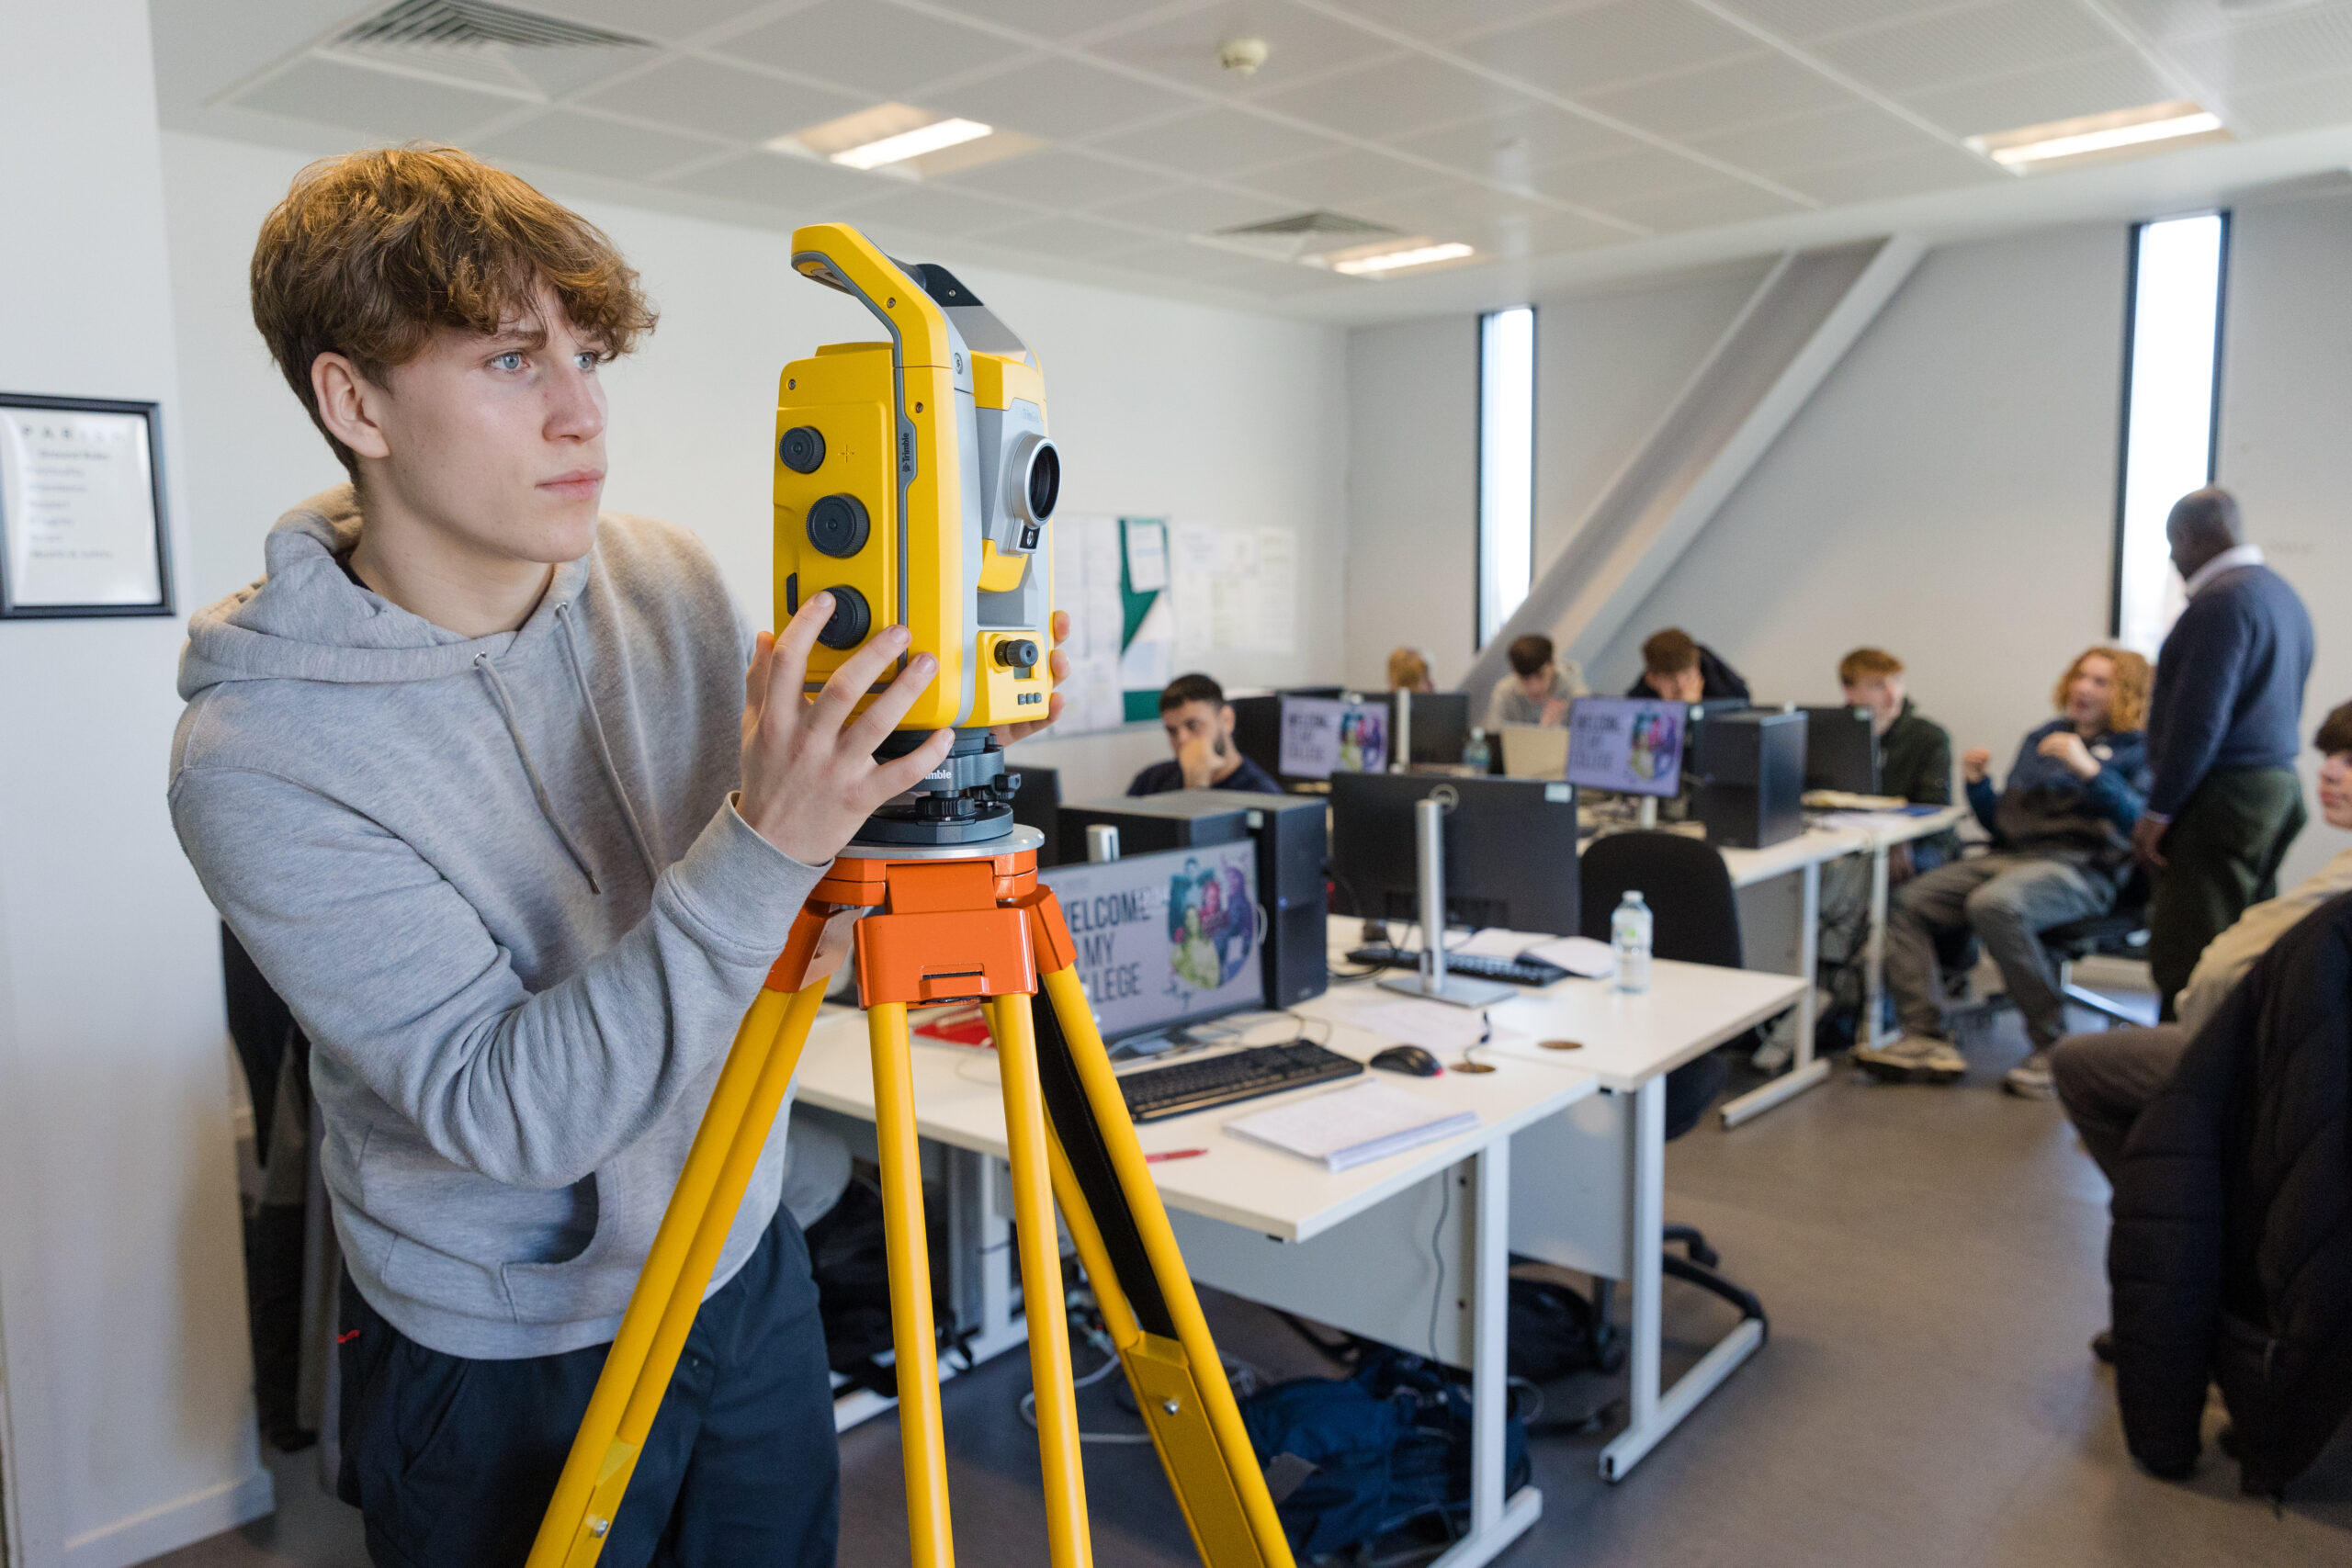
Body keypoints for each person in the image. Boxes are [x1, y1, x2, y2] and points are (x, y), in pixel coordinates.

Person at [168, 148, 1068, 1566]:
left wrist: (906, 746)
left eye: (586, 354)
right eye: (514, 360)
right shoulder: (262, 755)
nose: (584, 413)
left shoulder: (672, 582)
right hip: (502, 1346)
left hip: (736, 1259)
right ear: (356, 402)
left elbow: (770, 930)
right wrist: (765, 836)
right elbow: (509, 1109)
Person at [2050, 700, 2352, 1161]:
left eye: (2349, 762)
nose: (2328, 772)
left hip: (2304, 1072)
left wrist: (2203, 1039)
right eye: (2330, 756)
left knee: (2080, 1064)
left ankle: (2174, 1218)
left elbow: (2221, 970)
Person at [1855, 647, 2151, 1088]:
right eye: (2080, 677)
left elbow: (2139, 822)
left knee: (1995, 904)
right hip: (2009, 858)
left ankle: (2052, 1047)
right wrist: (1978, 787)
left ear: (2125, 693)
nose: (2083, 688)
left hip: (2082, 869)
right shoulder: (2043, 738)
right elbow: (2006, 822)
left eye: (2100, 682)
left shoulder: (2140, 748)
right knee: (1906, 902)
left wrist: (2088, 769)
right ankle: (1924, 1035)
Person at [2134, 488, 2314, 1020]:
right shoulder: (2281, 595)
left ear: (2190, 537)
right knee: (2243, 945)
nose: (2172, 559)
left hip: (2221, 797)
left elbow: (2200, 719)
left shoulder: (2221, 602)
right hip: (2274, 787)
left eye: (2173, 544)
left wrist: (2158, 809)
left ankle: (2178, 1084)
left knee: (2193, 954)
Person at [1838, 645, 1957, 873]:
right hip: (1854, 839)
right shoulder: (1834, 736)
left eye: (1897, 682)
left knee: (1861, 876)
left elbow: (1933, 807)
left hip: (1921, 843)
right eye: (1878, 685)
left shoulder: (1928, 737)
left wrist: (1900, 839)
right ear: (1849, 691)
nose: (1893, 694)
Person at [1127, 672, 1282, 795]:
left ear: (1227, 720)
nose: (1182, 739)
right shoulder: (1151, 781)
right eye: (1172, 731)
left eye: (1193, 726)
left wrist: (1197, 785)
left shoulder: (1261, 793)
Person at [1623, 626, 1750, 705]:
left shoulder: (1724, 687)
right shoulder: (1638, 699)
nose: (1681, 686)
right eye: (1670, 679)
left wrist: (1695, 708)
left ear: (1697, 668)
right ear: (1651, 680)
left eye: (1687, 675)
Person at [1487, 633, 1583, 728]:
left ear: (1552, 666)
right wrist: (1544, 732)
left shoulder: (1572, 689)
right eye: (1525, 679)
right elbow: (1495, 739)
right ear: (1514, 672)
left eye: (1540, 676)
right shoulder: (1505, 692)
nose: (1534, 688)